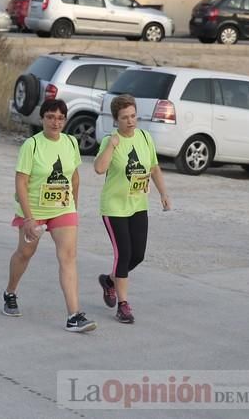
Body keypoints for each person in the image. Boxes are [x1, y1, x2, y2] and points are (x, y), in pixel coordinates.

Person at [1, 99, 96, 333]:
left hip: (63, 209)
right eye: (51, 117)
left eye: (61, 117)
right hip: (34, 210)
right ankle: (10, 292)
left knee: (68, 257)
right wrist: (29, 218)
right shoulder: (32, 145)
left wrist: (73, 207)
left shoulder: (71, 142)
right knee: (25, 253)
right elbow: (21, 182)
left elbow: (74, 177)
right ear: (42, 118)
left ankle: (74, 315)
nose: (56, 122)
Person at [93, 94, 171, 324]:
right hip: (114, 207)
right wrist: (111, 146)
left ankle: (109, 281)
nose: (130, 121)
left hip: (138, 205)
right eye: (125, 117)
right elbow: (99, 168)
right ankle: (123, 305)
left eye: (133, 116)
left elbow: (154, 168)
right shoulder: (111, 140)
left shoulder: (145, 138)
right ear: (115, 119)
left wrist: (163, 193)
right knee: (123, 254)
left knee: (137, 255)